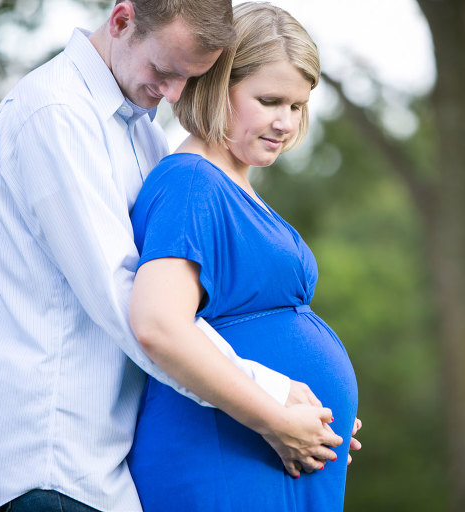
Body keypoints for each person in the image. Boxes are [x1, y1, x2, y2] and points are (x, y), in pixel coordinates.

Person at [0, 1, 356, 511]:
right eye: (165, 70)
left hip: (110, 468)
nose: (176, 94)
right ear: (121, 20)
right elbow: (135, 304)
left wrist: (311, 411)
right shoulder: (56, 115)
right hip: (56, 466)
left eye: (191, 76)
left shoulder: (142, 134)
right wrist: (277, 400)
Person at [126, 3, 358, 510]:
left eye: (297, 106)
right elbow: (159, 325)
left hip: (263, 451)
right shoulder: (190, 182)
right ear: (217, 85)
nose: (286, 122)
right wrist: (275, 417)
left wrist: (319, 411)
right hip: (220, 455)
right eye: (270, 100)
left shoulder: (234, 187)